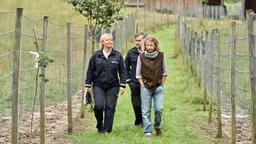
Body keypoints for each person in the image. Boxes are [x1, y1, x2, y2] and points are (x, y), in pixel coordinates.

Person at [84, 33, 126, 134]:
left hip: (113, 85)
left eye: (111, 40)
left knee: (110, 107)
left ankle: (107, 130)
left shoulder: (117, 55)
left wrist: (123, 84)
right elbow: (90, 70)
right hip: (98, 85)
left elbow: (122, 71)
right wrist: (87, 85)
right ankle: (99, 124)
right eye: (107, 40)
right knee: (98, 106)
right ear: (102, 42)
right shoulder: (96, 56)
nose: (110, 41)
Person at [136, 36, 167, 137]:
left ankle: (157, 127)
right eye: (147, 45)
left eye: (151, 45)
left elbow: (165, 72)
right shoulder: (141, 56)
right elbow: (138, 74)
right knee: (146, 111)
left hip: (158, 87)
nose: (149, 47)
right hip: (145, 87)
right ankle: (148, 131)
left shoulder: (161, 56)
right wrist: (142, 85)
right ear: (145, 46)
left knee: (159, 109)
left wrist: (161, 85)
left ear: (155, 46)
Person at [125, 32, 147, 126]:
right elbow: (125, 67)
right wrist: (128, 80)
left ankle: (145, 121)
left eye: (139, 40)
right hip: (134, 83)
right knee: (137, 104)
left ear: (144, 40)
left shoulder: (149, 52)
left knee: (145, 104)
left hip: (147, 83)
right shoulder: (131, 52)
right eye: (136, 40)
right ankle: (138, 120)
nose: (137, 42)